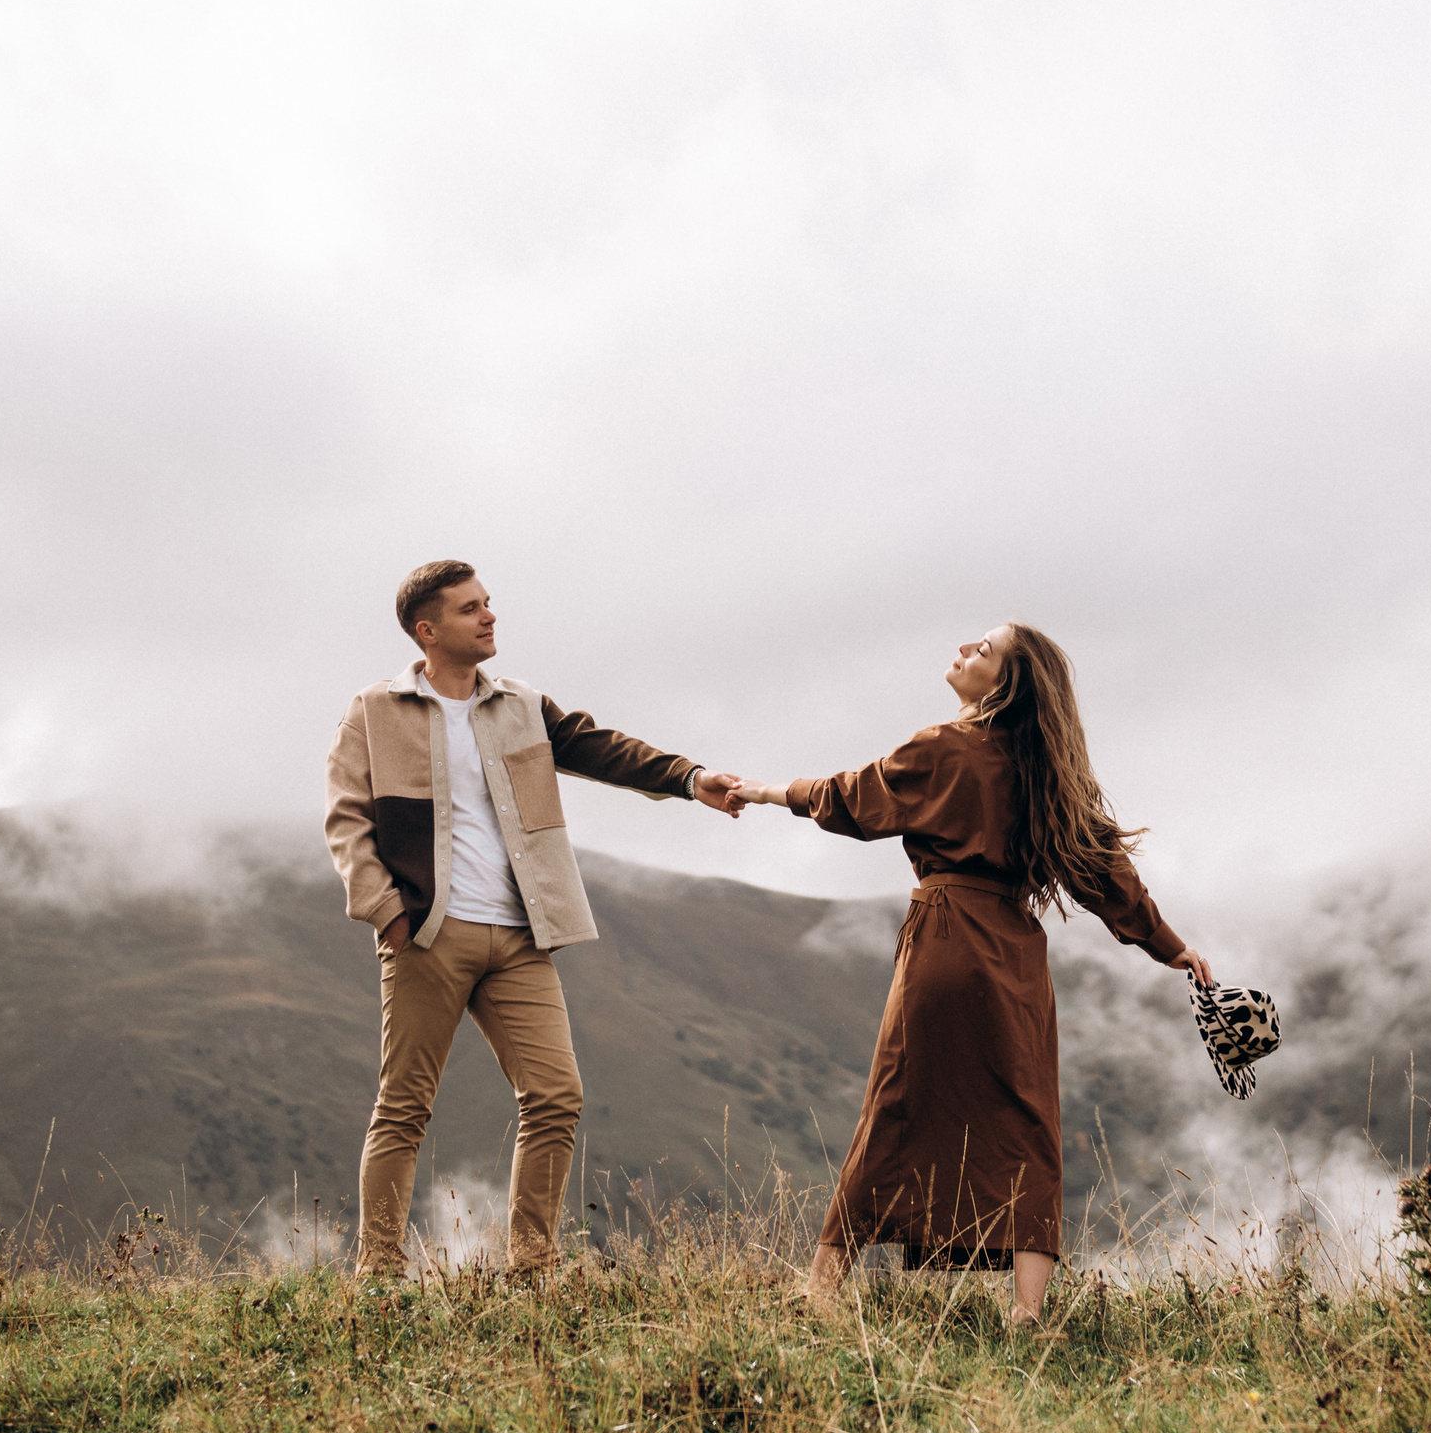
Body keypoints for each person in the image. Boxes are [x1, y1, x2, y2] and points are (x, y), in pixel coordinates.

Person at [731, 622, 1212, 1326]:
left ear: (1006, 683)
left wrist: (768, 790)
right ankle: (1027, 1310)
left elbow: (849, 798)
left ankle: (823, 1289)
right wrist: (1170, 946)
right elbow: (1108, 877)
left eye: (982, 650)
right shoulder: (1052, 775)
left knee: (896, 1101)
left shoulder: (941, 747)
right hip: (1016, 953)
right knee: (1026, 1118)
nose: (963, 649)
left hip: (945, 937)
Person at [326, 559, 746, 1281]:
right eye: (469, 609)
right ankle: (380, 1272)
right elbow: (346, 819)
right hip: (429, 932)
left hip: (520, 935)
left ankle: (532, 1265)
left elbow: (600, 747)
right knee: (404, 1105)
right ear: (427, 630)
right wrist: (387, 911)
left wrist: (687, 777)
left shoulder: (520, 703)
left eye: (488, 603)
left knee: (556, 1094)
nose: (489, 617)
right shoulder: (375, 708)